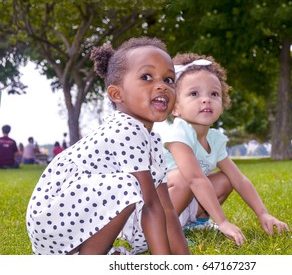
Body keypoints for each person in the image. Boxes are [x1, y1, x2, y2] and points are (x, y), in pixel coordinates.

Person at [26, 37, 189, 255]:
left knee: (149, 221)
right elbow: (151, 206)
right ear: (116, 94)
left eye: (169, 79)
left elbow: (167, 209)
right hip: (52, 222)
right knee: (130, 189)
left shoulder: (152, 139)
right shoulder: (125, 128)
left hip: (74, 221)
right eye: (147, 77)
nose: (161, 86)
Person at [161, 53, 290, 246]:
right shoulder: (179, 133)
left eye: (214, 94)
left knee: (226, 178)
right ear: (175, 108)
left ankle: (195, 223)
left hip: (188, 204)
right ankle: (165, 232)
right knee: (183, 177)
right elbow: (195, 179)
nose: (206, 100)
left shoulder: (215, 139)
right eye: (194, 94)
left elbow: (239, 179)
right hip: (159, 208)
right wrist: (223, 222)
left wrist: (263, 213)